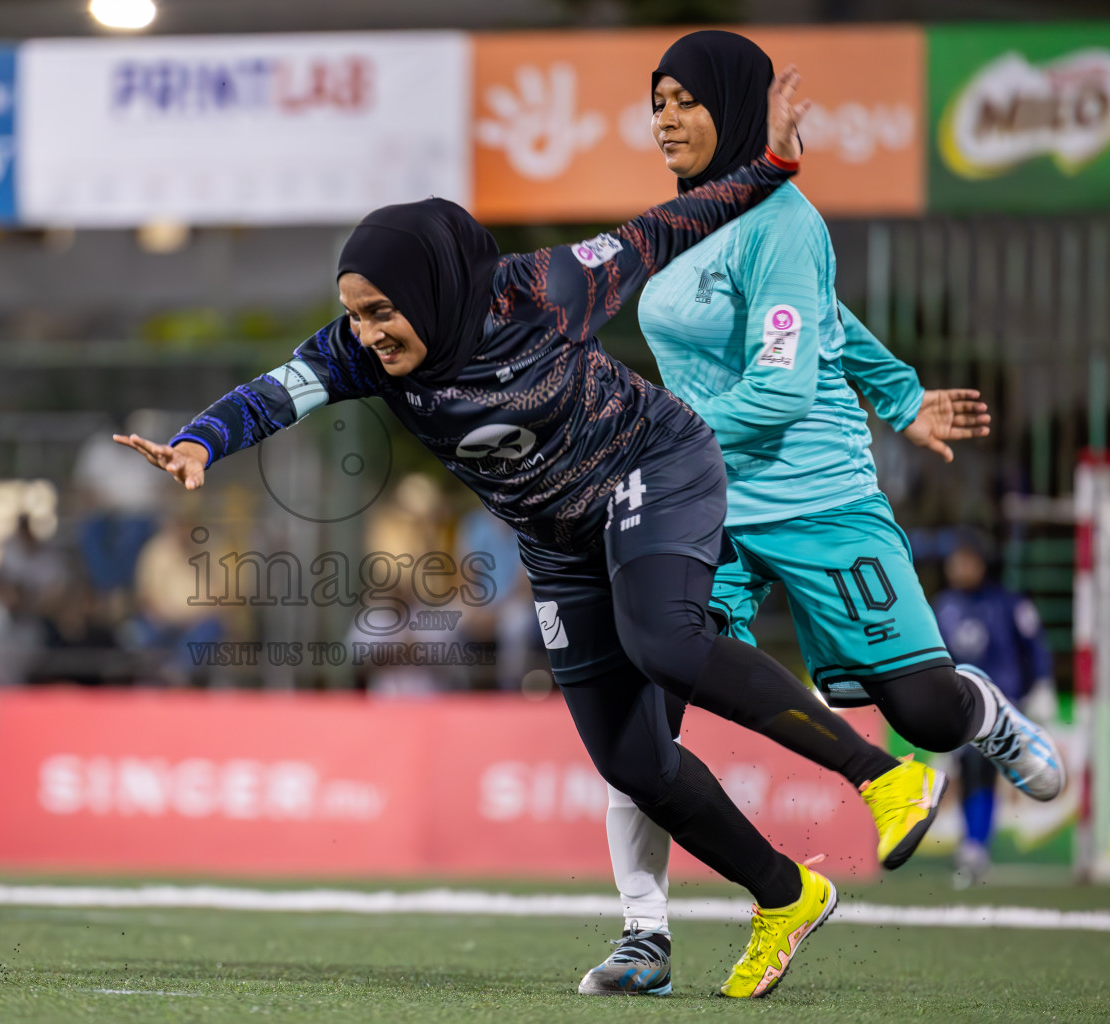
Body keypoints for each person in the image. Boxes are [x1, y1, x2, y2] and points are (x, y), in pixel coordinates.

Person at [120, 67, 943, 999]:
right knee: (632, 760)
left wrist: (777, 162)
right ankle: (785, 894)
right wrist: (198, 442)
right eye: (356, 313)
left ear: (431, 291)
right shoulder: (358, 351)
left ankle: (882, 777)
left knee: (667, 643)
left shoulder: (546, 288)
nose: (369, 332)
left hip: (653, 469)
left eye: (383, 312)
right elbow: (275, 394)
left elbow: (673, 223)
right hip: (557, 541)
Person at [579, 30, 1066, 997]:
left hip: (817, 495)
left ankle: (984, 714)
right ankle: (643, 935)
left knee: (922, 716)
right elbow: (834, 318)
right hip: (702, 501)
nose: (665, 118)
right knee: (644, 706)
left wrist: (645, 425)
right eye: (657, 100)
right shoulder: (677, 222)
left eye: (686, 99)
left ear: (735, 104)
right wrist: (901, 393)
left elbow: (781, 388)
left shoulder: (786, 222)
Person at [933, 531, 1057, 888]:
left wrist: (1043, 684)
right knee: (965, 770)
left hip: (1002, 703)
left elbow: (1034, 645)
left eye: (966, 559)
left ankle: (975, 846)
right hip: (960, 704)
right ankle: (973, 845)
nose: (959, 567)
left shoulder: (1009, 603)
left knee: (979, 767)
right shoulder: (942, 607)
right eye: (955, 560)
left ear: (982, 563)